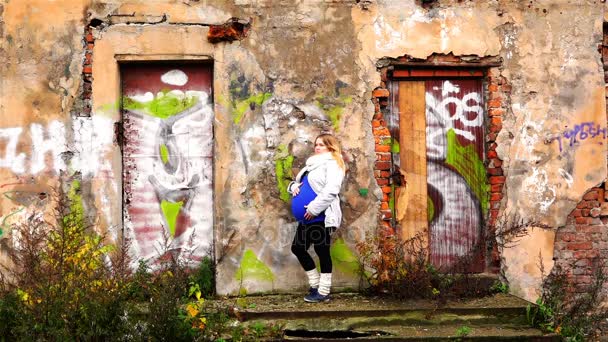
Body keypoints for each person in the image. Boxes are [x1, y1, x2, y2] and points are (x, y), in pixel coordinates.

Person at [288, 134, 346, 303]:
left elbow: (331, 190)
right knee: (298, 248)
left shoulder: (334, 164)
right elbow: (301, 183)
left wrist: (313, 208)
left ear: (331, 147)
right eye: (316, 144)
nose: (317, 147)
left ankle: (323, 291)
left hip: (321, 216)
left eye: (321, 145)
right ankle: (315, 284)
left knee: (322, 251)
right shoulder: (312, 164)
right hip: (308, 218)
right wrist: (293, 187)